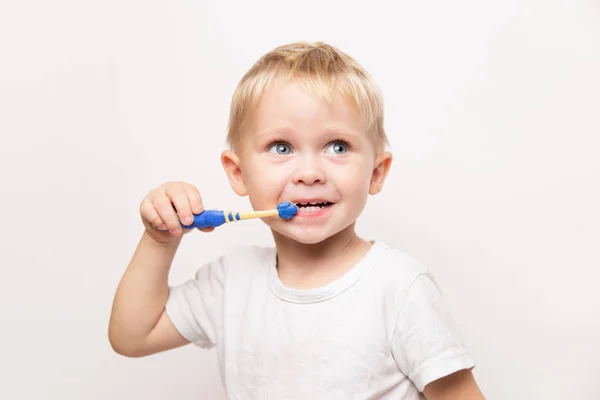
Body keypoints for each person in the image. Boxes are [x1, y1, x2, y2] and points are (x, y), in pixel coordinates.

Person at [109, 41, 485, 399]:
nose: (309, 173)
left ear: (376, 172)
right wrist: (160, 240)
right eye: (281, 147)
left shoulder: (400, 289)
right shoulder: (231, 283)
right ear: (238, 174)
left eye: (337, 147)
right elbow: (132, 337)